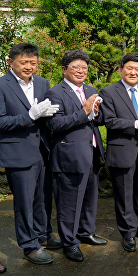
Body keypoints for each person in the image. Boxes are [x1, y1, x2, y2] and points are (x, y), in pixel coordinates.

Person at [0, 43, 60, 265]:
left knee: (42, 198)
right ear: (11, 62)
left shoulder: (43, 82)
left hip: (42, 149)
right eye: (23, 62)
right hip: (18, 151)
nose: (29, 67)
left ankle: (43, 235)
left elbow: (48, 111)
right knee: (24, 202)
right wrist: (30, 115)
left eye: (33, 63)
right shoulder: (2, 85)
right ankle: (29, 245)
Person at [45, 50, 108, 262]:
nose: (81, 71)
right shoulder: (55, 92)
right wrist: (84, 112)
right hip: (69, 156)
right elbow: (54, 124)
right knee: (69, 203)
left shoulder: (91, 89)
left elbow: (98, 119)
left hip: (91, 151)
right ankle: (69, 243)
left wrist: (97, 113)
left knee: (90, 198)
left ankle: (86, 232)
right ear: (64, 69)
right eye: (75, 67)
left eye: (84, 67)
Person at [100, 53, 138, 252]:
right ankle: (128, 233)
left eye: (137, 69)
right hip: (121, 152)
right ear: (121, 69)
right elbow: (109, 121)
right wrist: (136, 123)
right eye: (129, 68)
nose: (133, 72)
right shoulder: (108, 92)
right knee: (124, 196)